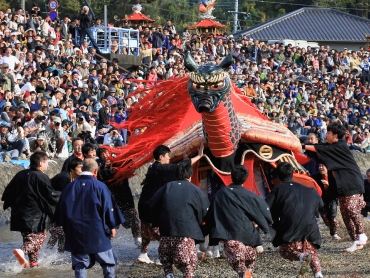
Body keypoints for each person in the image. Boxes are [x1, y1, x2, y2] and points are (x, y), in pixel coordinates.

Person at [303, 122, 367, 252]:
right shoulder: (330, 145)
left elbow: (318, 149)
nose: (326, 135)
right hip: (341, 185)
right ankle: (355, 240)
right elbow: (318, 148)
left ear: (335, 135)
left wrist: (302, 145)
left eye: (328, 133)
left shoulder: (340, 146)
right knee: (344, 214)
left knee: (351, 209)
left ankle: (362, 234)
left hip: (352, 182)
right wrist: (301, 146)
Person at [55, 158, 125, 278]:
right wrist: (112, 226)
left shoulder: (69, 187)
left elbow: (61, 209)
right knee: (107, 262)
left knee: (80, 264)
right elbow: (108, 208)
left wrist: (64, 227)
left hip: (75, 231)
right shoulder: (100, 186)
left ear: (82, 169)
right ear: (96, 170)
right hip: (98, 231)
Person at [137, 143, 204, 264]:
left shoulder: (154, 167)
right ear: (161, 157)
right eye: (168, 155)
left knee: (146, 231)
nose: (169, 158)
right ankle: (161, 257)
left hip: (144, 204)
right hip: (152, 205)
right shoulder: (160, 168)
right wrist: (198, 156)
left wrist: (185, 160)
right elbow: (178, 167)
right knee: (162, 232)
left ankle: (143, 254)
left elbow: (174, 167)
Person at [204, 165, 272, 278]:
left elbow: (211, 214)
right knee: (249, 263)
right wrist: (267, 222)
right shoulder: (250, 194)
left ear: (231, 177)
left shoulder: (221, 193)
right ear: (245, 179)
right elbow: (264, 209)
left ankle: (245, 274)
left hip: (231, 235)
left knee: (239, 264)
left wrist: (205, 231)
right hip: (250, 236)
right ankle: (247, 273)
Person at [150, 161, 209, 278]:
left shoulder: (165, 187)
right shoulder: (195, 190)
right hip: (186, 234)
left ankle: (169, 274)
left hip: (166, 233)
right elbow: (206, 211)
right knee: (189, 264)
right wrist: (199, 229)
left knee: (166, 261)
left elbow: (152, 205)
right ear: (190, 175)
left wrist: (157, 224)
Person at [265, 162, 324, 278]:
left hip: (290, 228)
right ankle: (318, 274)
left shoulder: (277, 190)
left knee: (285, 251)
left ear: (278, 175)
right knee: (310, 251)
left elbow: (265, 207)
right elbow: (321, 206)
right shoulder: (310, 189)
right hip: (310, 227)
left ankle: (301, 258)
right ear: (293, 173)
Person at [1, 151, 58, 268]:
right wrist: (63, 195)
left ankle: (33, 263)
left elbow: (8, 192)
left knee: (29, 238)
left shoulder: (20, 174)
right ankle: (22, 251)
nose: (47, 165)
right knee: (40, 238)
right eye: (46, 162)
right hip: (35, 215)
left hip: (19, 213)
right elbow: (50, 195)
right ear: (41, 163)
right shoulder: (41, 176)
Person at [96, 147, 141, 247]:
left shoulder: (119, 162)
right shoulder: (100, 167)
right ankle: (106, 240)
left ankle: (137, 238)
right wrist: (105, 167)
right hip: (111, 196)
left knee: (132, 216)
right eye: (102, 154)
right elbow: (102, 177)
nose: (104, 155)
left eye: (105, 152)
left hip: (124, 194)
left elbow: (128, 166)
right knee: (111, 218)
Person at [47, 157, 83, 253]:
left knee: (62, 233)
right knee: (59, 232)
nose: (82, 170)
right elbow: (63, 198)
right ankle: (46, 253)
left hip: (55, 209)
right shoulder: (65, 177)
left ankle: (59, 254)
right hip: (50, 209)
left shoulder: (70, 177)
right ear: (72, 169)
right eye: (80, 167)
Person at [312, 163, 341, 240]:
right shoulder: (315, 176)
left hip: (332, 198)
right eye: (319, 166)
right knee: (325, 218)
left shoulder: (333, 176)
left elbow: (337, 189)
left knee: (332, 216)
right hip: (321, 199)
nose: (320, 168)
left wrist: (328, 185)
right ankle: (331, 229)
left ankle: (335, 233)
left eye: (322, 166)